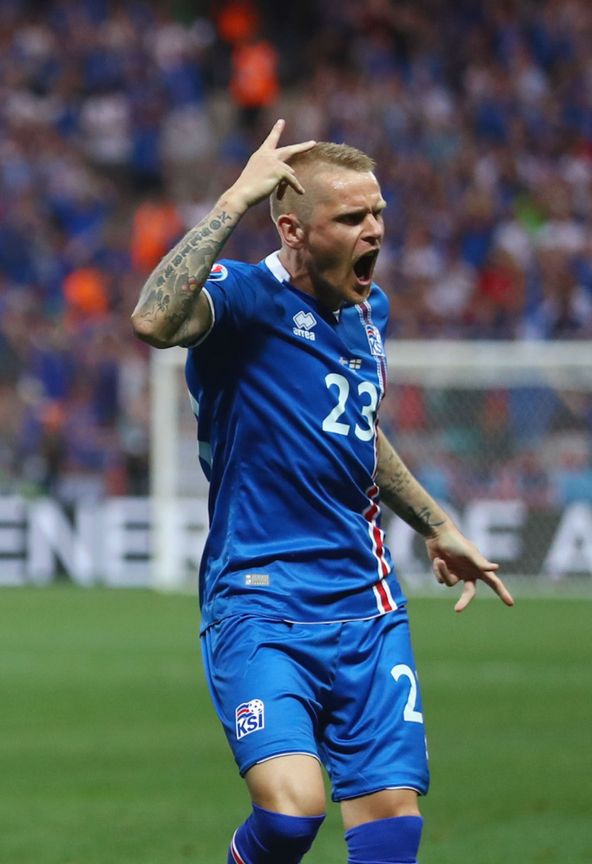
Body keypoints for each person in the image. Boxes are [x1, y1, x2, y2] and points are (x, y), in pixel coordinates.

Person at [129, 124, 514, 864]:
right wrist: (234, 197)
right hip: (262, 600)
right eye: (351, 219)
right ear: (292, 229)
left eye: (378, 215)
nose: (374, 232)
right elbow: (151, 319)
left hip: (367, 603)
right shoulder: (241, 300)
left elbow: (359, 431)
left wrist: (436, 524)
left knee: (393, 820)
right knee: (290, 814)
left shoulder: (372, 314)